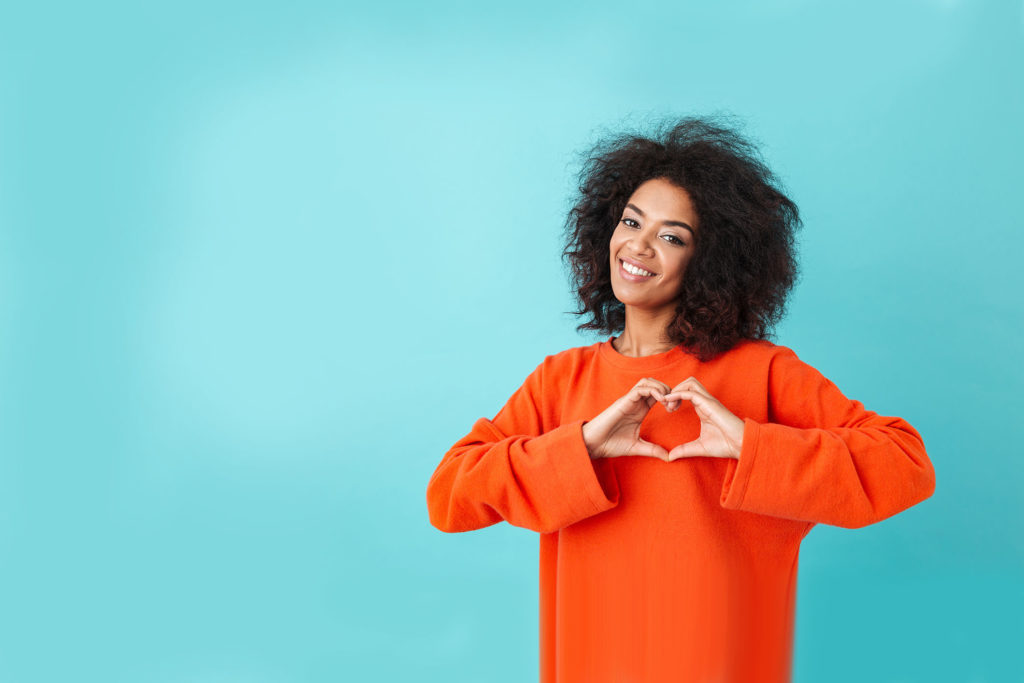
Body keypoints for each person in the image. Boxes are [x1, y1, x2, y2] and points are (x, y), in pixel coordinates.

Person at [425, 115, 936, 683]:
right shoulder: (559, 381)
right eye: (630, 221)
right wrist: (584, 447)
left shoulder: (763, 372)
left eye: (672, 236)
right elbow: (450, 496)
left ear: (712, 261)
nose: (638, 246)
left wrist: (749, 443)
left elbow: (905, 465)